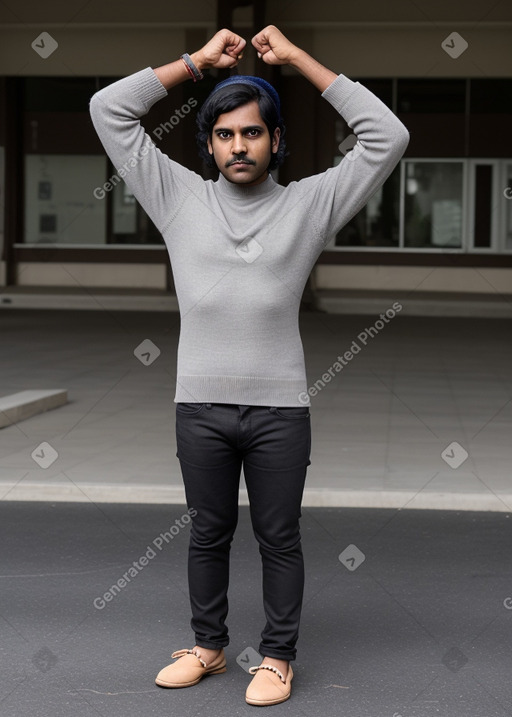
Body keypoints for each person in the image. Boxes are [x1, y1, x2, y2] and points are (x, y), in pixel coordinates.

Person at [89, 24, 409, 707]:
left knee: (278, 535)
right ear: (208, 142)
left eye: (254, 132)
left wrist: (296, 61)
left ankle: (277, 657)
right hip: (199, 406)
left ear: (275, 140)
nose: (240, 145)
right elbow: (107, 109)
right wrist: (193, 63)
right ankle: (207, 647)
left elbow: (388, 136)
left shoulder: (310, 205)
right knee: (207, 531)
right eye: (226, 134)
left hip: (280, 410)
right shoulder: (176, 197)